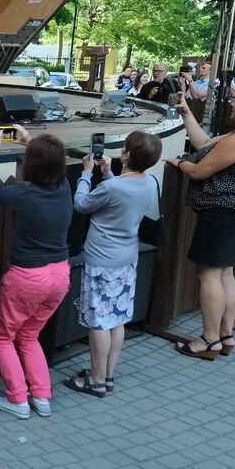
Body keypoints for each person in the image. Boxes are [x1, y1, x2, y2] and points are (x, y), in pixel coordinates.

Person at [169, 87, 235, 359]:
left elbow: (198, 169)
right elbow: (205, 143)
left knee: (209, 276)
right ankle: (226, 335)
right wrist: (186, 114)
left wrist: (178, 162)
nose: (232, 104)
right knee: (226, 273)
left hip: (223, 214)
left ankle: (209, 339)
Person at [64, 130, 162, 396]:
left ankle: (94, 380)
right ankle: (107, 375)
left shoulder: (113, 186)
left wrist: (86, 173)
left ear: (126, 154)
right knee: (117, 318)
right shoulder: (151, 182)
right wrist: (107, 173)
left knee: (98, 321)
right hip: (127, 258)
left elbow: (82, 203)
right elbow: (119, 199)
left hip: (101, 259)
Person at [0, 127, 73, 419]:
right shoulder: (65, 188)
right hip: (60, 274)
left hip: (28, 276)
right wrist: (30, 141)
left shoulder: (23, 194)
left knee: (2, 337)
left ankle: (18, 400)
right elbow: (50, 161)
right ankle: (41, 396)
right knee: (29, 336)